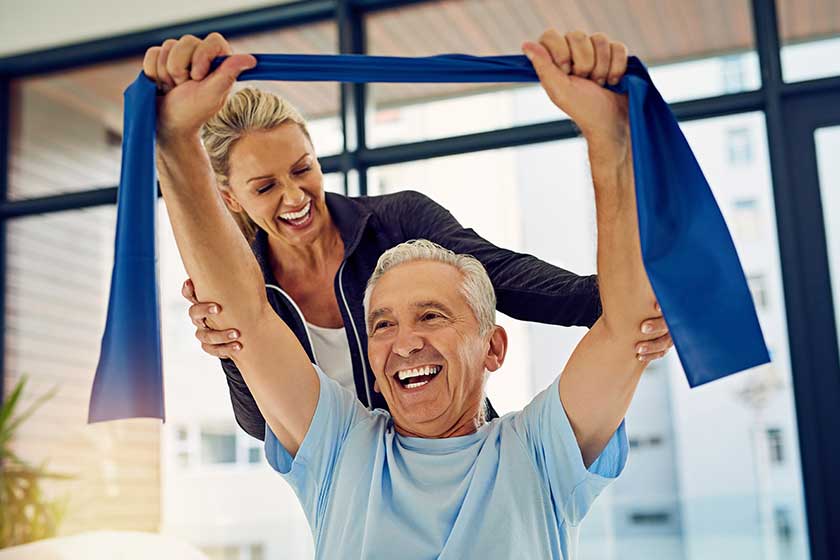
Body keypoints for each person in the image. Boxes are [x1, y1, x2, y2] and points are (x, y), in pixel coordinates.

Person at [151, 26, 662, 558]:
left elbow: (594, 314)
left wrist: (612, 137)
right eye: (382, 324)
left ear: (494, 346)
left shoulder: (534, 453)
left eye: (432, 316)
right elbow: (246, 324)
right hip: (343, 447)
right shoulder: (342, 451)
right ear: (232, 199)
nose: (405, 341)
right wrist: (175, 145)